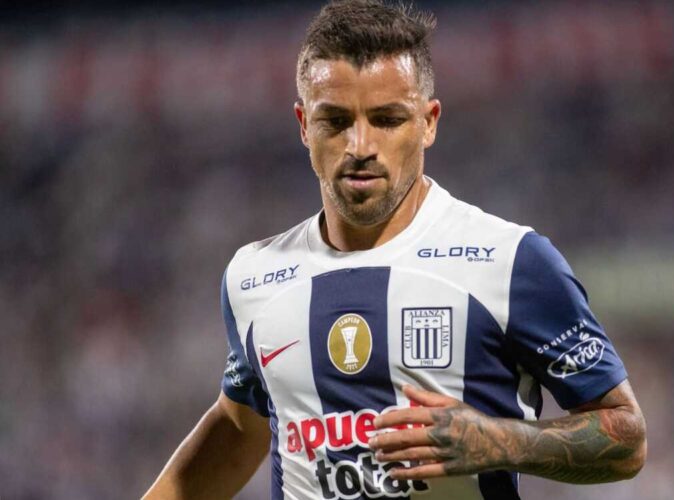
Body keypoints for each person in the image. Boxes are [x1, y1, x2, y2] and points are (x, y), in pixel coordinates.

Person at [144, 1, 646, 498]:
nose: (360, 144)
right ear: (303, 125)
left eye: (386, 119)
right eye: (335, 121)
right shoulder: (253, 278)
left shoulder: (512, 261)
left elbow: (626, 437)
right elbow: (238, 426)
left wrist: (502, 441)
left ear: (428, 122)